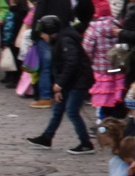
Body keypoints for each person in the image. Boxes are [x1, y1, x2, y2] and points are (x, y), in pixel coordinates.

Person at [25, 15, 95, 153]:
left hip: (78, 81)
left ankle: (86, 143)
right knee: (58, 110)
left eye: (43, 34)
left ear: (51, 32)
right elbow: (60, 66)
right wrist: (58, 87)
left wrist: (60, 84)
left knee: (72, 111)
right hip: (71, 81)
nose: (42, 37)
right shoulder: (59, 41)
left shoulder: (65, 41)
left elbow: (71, 63)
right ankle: (47, 137)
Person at [82, 0, 125, 115]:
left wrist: (89, 61)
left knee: (103, 96)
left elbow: (87, 49)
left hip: (101, 69)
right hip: (116, 68)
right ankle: (116, 118)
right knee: (115, 93)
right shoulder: (117, 24)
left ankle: (103, 120)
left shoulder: (94, 28)